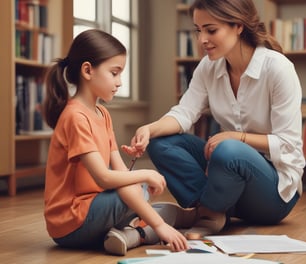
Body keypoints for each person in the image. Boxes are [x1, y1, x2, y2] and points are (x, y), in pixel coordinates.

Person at [123, 0, 306, 237]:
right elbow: (184, 113)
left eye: (211, 30)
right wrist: (150, 128)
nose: (202, 40)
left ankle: (207, 214)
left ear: (238, 26)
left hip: (274, 193)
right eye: (198, 31)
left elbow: (288, 143)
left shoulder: (278, 68)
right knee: (161, 142)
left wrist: (236, 137)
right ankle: (211, 210)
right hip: (227, 180)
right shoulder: (208, 68)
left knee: (229, 149)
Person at [43, 29, 197, 256]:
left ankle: (132, 233)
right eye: (114, 73)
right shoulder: (75, 117)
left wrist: (139, 179)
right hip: (70, 223)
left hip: (92, 209)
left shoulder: (102, 114)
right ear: (87, 70)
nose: (120, 82)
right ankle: (151, 228)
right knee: (138, 192)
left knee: (136, 190)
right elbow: (104, 179)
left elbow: (121, 172)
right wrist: (146, 174)